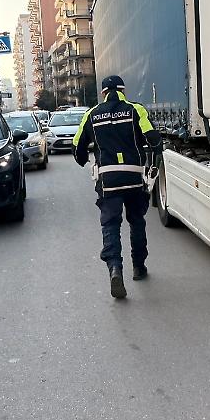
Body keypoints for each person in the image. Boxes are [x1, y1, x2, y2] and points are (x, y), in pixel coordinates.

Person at [73, 75, 162, 299]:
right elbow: (154, 139)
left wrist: (84, 158)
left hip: (108, 180)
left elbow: (77, 148)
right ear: (123, 90)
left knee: (110, 225)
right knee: (137, 221)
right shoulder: (136, 110)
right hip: (134, 178)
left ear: (103, 93)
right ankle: (139, 267)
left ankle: (115, 269)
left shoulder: (92, 114)